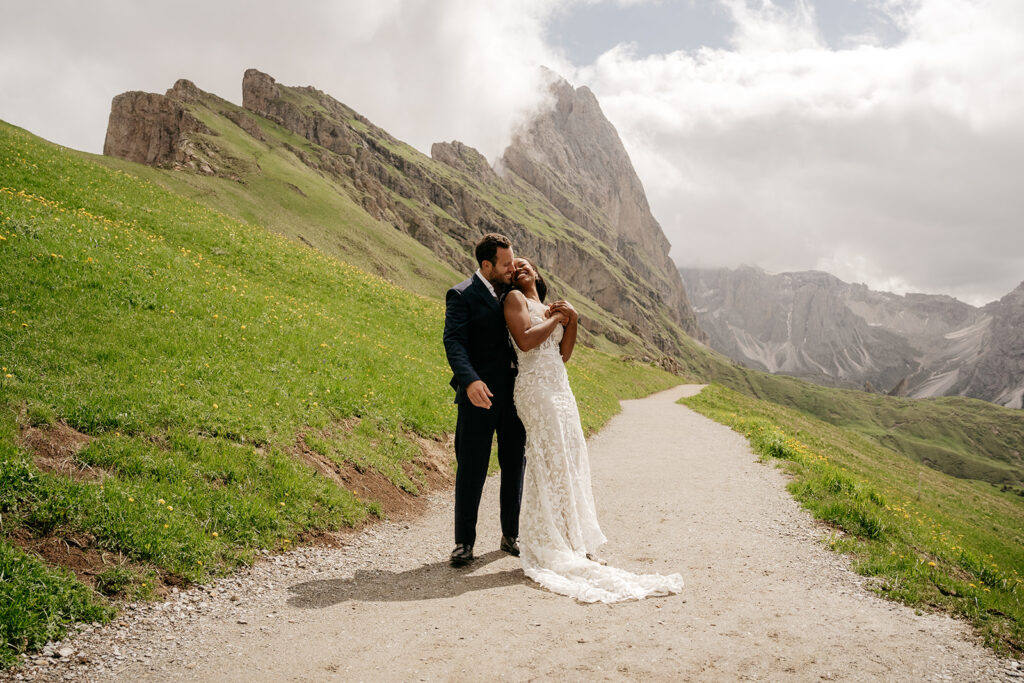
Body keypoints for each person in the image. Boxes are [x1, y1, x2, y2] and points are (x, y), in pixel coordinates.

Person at [504, 257, 684, 602]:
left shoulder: (547, 304)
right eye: (513, 266)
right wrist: (560, 316)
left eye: (525, 263)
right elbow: (526, 342)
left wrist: (574, 319)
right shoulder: (515, 300)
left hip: (560, 387)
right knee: (550, 463)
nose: (519, 267)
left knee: (570, 463)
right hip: (536, 390)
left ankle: (575, 541)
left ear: (538, 272)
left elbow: (564, 353)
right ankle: (552, 543)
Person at [442, 233, 527, 567]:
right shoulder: (461, 295)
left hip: (514, 396)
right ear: (486, 264)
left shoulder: (513, 293)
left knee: (514, 467)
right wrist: (470, 380)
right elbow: (454, 342)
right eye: (505, 264)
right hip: (477, 397)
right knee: (471, 470)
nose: (511, 268)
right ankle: (464, 543)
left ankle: (511, 535)